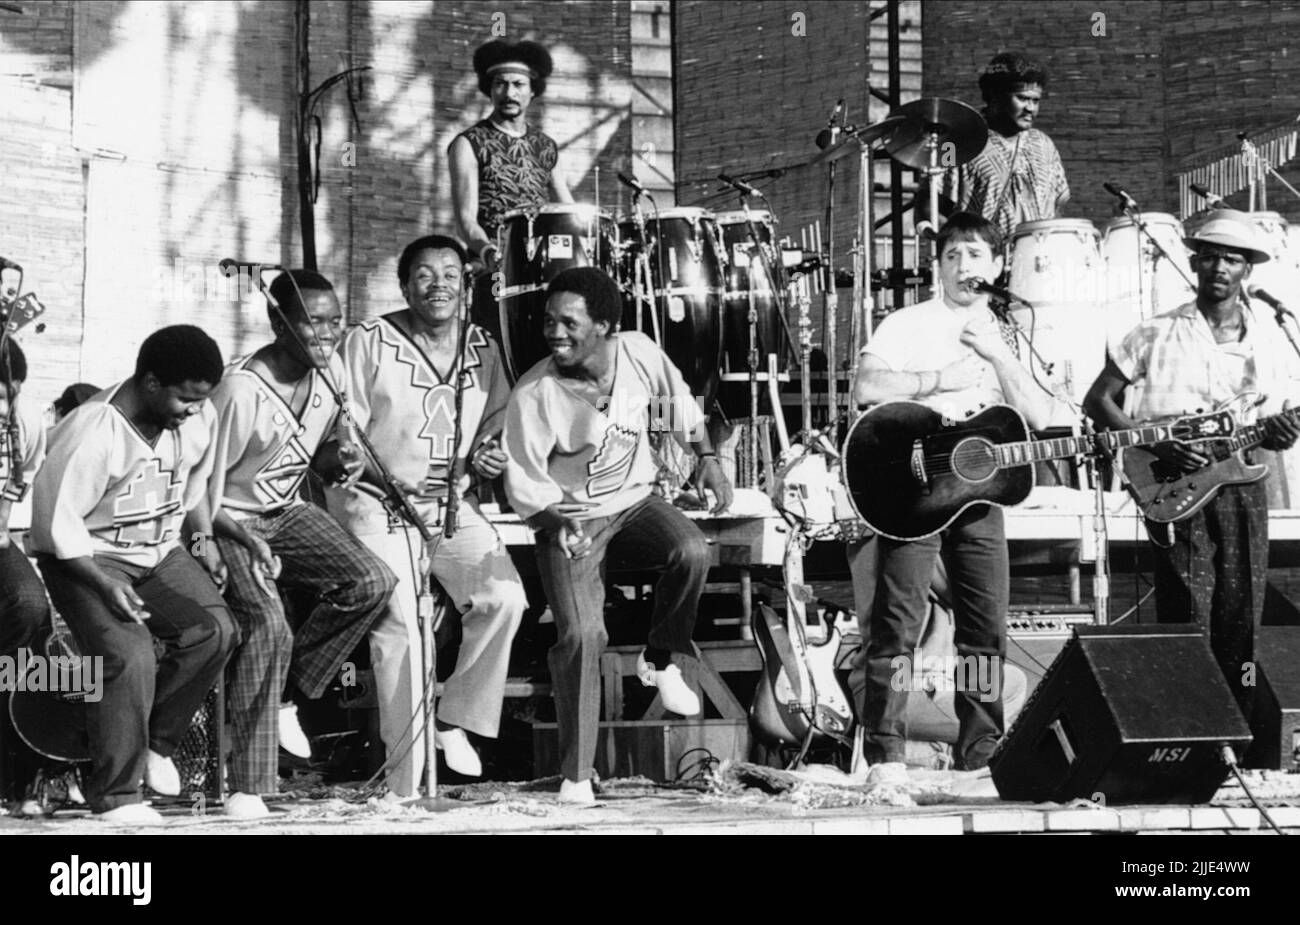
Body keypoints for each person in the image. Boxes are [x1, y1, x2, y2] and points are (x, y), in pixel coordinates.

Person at [503, 267, 734, 804]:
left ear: (605, 325)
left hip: (634, 504)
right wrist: (555, 524)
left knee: (691, 550)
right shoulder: (535, 393)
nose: (554, 333)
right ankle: (577, 777)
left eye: (569, 322)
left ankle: (659, 659)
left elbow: (679, 411)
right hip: (569, 521)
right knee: (584, 638)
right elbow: (524, 488)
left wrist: (706, 459)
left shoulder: (639, 354)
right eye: (548, 322)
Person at [849, 212, 1063, 780]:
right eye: (951, 256)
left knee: (984, 627)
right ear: (938, 267)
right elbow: (867, 388)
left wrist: (997, 354)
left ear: (996, 266)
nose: (963, 266)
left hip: (979, 492)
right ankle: (886, 751)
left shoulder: (1008, 332)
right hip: (914, 493)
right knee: (898, 621)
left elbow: (1039, 416)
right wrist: (934, 381)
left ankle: (979, 753)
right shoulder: (907, 322)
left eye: (974, 255)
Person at [325, 235, 526, 795]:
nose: (438, 285)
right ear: (404, 284)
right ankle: (403, 784)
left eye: (450, 274)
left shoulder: (483, 345)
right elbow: (345, 433)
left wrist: (489, 455)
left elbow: (498, 423)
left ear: (466, 283)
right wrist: (373, 479)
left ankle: (454, 719)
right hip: (375, 502)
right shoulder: (367, 342)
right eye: (423, 275)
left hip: (447, 504)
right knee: (404, 623)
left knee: (504, 597)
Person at [1083, 210, 1300, 721]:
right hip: (1173, 484)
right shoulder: (1154, 332)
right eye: (1210, 256)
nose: (1219, 267)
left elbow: (1275, 420)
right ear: (1195, 262)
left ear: (1248, 268)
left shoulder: (1270, 336)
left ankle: (1236, 728)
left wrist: (1284, 432)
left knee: (1240, 607)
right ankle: (1190, 724)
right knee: (1187, 605)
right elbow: (1099, 401)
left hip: (1242, 482)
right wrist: (1156, 445)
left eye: (1232, 258)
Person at [28, 325, 240, 824]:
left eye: (202, 399)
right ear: (149, 383)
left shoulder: (196, 416)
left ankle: (155, 746)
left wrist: (203, 542)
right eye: (185, 398)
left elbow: (191, 488)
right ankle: (116, 796)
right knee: (128, 654)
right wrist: (106, 584)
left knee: (215, 631)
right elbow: (56, 528)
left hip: (158, 552)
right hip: (86, 559)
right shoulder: (92, 432)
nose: (195, 409)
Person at [205, 269, 397, 818]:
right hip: (230, 519)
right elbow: (199, 487)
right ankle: (247, 785)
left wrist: (344, 458)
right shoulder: (239, 390)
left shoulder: (330, 371)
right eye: (314, 322)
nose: (328, 333)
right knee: (268, 624)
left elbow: (321, 450)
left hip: (285, 513)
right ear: (278, 321)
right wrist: (216, 542)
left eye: (336, 322)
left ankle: (285, 691)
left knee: (372, 580)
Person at [449, 38, 573, 341]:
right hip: (494, 271)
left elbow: (568, 211)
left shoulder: (545, 147)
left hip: (546, 272)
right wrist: (489, 252)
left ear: (533, 91)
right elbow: (466, 220)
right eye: (500, 84)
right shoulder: (469, 143)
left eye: (518, 84)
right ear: (490, 89)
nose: (509, 93)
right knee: (497, 357)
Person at [0, 338, 54, 806]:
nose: (3, 405)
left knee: (30, 605)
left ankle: (19, 768)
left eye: (10, 392)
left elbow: (19, 480)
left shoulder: (27, 419)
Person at [939, 52, 1069, 242]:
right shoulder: (954, 143)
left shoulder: (1045, 145)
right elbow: (933, 205)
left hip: (1037, 261)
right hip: (984, 262)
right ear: (995, 97)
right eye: (1022, 98)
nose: (1031, 108)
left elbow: (1058, 205)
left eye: (1035, 101)